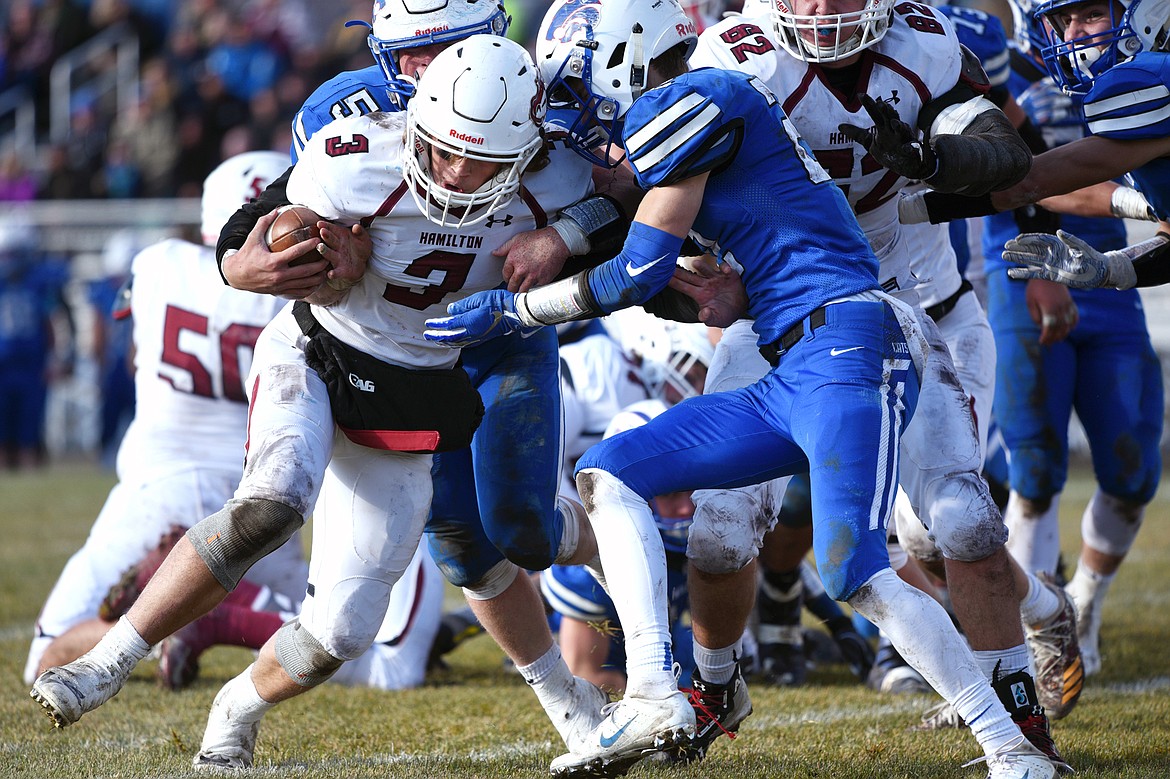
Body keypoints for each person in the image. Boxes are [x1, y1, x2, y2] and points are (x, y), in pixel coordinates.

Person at [425, 2, 1059, 777]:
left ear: (626, 55)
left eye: (584, 82)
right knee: (612, 469)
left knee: (858, 563)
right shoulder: (710, 94)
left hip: (851, 334)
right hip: (789, 351)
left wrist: (513, 308)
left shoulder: (691, 98)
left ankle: (1010, 745)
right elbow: (647, 223)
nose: (581, 105)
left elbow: (637, 269)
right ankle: (665, 687)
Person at [31, 38, 602, 772]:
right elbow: (256, 233)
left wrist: (566, 234)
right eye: (443, 151)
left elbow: (622, 213)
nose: (457, 175)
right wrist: (278, 258)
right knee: (273, 503)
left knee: (345, 627)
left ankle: (235, 704)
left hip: (411, 388)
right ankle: (103, 663)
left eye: (483, 161)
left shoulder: (560, 179)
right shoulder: (355, 154)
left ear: (526, 152)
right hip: (314, 348)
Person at [689, 0, 1080, 754]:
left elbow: (1007, 152)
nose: (822, 11)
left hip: (907, 308)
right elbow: (675, 196)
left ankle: (1017, 717)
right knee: (717, 530)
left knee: (954, 521)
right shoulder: (736, 58)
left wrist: (936, 159)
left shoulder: (926, 39)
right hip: (781, 312)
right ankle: (711, 687)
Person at [22, 151, 308, 685]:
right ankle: (236, 615)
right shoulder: (311, 296)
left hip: (158, 489)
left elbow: (137, 358)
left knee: (46, 656)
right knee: (347, 640)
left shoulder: (158, 264)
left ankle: (163, 634)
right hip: (266, 500)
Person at [974, 0, 1163, 680]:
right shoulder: (1009, 72)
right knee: (1037, 464)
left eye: (1096, 13)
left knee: (1134, 466)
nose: (1085, 32)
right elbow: (1015, 179)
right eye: (1070, 17)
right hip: (1025, 267)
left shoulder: (1141, 69)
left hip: (1113, 276)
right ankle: (1035, 642)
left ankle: (1081, 602)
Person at [899, 0, 1170, 288]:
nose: (1072, 36)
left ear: (1148, 15)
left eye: (1093, 15)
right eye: (1066, 21)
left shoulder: (1152, 80)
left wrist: (901, 208)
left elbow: (1031, 181)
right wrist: (1114, 268)